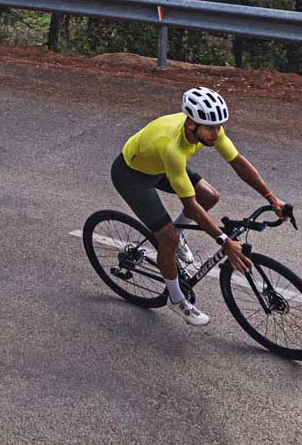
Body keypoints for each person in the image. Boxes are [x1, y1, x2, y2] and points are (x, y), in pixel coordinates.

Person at [111, 87, 285, 326]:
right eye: (210, 128)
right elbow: (190, 205)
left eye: (218, 126)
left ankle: (177, 237)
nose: (216, 133)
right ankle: (176, 298)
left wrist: (271, 198)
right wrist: (224, 241)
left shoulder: (210, 131)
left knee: (210, 196)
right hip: (132, 176)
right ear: (192, 125)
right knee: (168, 239)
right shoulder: (172, 147)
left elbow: (238, 163)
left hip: (159, 167)